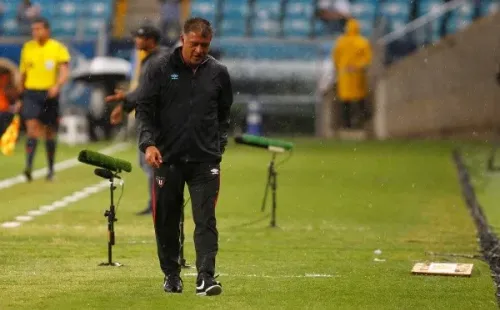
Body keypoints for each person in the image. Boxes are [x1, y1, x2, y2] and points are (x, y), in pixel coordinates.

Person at [135, 17, 233, 296]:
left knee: (206, 220)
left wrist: (218, 147)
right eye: (195, 44)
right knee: (167, 220)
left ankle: (205, 277)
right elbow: (144, 110)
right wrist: (149, 144)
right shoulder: (160, 68)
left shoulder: (218, 73)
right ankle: (171, 274)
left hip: (205, 162)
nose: (200, 50)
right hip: (168, 160)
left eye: (205, 44)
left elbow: (224, 115)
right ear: (182, 39)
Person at [105, 25, 170, 216]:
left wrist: (125, 102)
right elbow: (144, 90)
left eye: (140, 37)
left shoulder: (158, 60)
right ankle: (156, 203)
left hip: (156, 120)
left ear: (151, 39)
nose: (136, 40)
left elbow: (147, 91)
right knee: (150, 164)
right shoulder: (152, 58)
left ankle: (157, 204)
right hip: (155, 117)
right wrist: (125, 105)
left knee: (152, 163)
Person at [18, 17, 70, 181]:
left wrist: (57, 85)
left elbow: (64, 70)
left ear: (47, 30)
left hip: (49, 94)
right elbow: (23, 72)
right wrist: (21, 92)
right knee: (32, 129)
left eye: (39, 29)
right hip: (31, 93)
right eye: (33, 29)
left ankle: (50, 169)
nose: (35, 32)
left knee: (48, 132)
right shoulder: (27, 48)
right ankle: (28, 167)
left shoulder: (57, 48)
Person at [333, 18, 372, 129]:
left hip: (345, 76)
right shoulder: (363, 41)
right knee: (360, 100)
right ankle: (363, 122)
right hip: (357, 76)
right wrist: (357, 66)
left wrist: (339, 68)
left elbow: (336, 58)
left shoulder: (341, 41)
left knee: (346, 102)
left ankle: (347, 124)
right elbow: (367, 58)